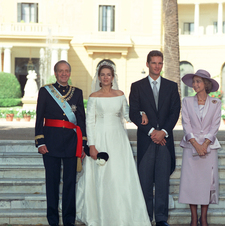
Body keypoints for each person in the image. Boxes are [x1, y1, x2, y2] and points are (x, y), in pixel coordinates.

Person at [76, 61, 151, 226]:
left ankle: (124, 214)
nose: (105, 77)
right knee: (102, 176)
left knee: (119, 175)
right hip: (100, 138)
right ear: (99, 77)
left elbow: (127, 114)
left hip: (118, 140)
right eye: (102, 74)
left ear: (112, 77)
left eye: (108, 74)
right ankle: (101, 216)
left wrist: (141, 113)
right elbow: (90, 122)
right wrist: (93, 145)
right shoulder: (94, 97)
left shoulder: (120, 94)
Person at [129, 50, 181, 226]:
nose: (157, 66)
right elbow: (134, 113)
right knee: (144, 182)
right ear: (147, 64)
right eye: (154, 63)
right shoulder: (137, 87)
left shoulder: (171, 86)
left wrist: (163, 131)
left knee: (162, 182)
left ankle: (160, 218)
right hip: (147, 141)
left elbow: (175, 112)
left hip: (165, 141)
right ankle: (145, 217)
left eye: (160, 63)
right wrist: (152, 131)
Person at [35, 60, 88, 226]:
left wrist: (83, 144)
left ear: (69, 73)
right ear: (56, 73)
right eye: (60, 71)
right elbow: (39, 118)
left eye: (66, 71)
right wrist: (40, 141)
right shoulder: (45, 91)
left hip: (72, 143)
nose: (64, 74)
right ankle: (52, 221)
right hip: (50, 143)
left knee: (70, 184)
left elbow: (81, 120)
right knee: (52, 183)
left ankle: (69, 221)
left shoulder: (77, 93)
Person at [179, 69, 221, 226]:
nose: (194, 84)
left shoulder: (217, 103)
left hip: (208, 149)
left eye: (198, 81)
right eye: (194, 81)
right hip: (191, 147)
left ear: (206, 84)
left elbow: (215, 126)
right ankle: (193, 219)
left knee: (206, 184)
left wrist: (205, 144)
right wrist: (196, 144)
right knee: (191, 183)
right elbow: (186, 124)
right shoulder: (187, 101)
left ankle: (203, 219)